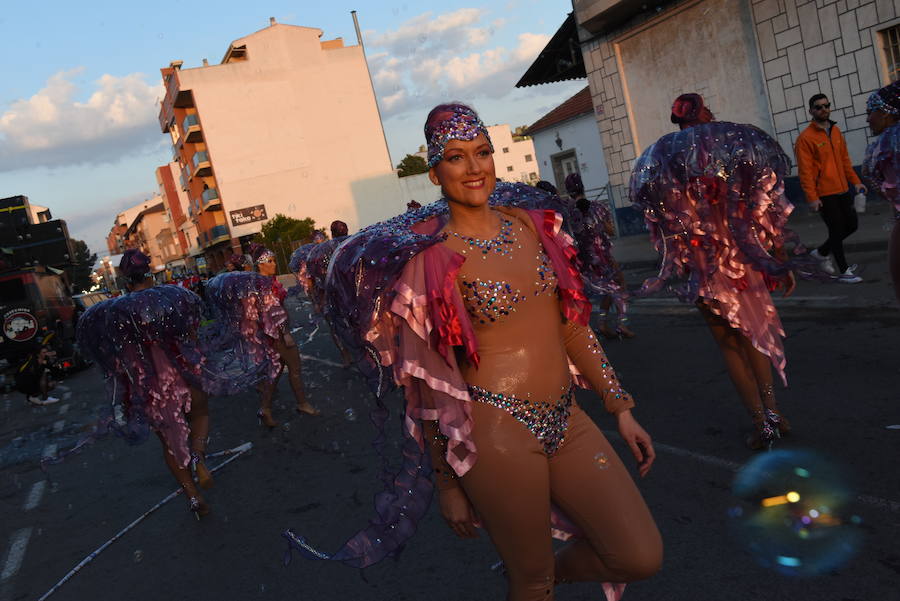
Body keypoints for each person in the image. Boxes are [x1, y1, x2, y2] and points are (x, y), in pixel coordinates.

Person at [287, 103, 661, 601]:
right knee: (531, 582)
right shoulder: (427, 258)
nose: (474, 167)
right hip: (494, 431)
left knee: (638, 554)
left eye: (482, 152)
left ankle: (541, 571)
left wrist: (622, 406)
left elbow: (570, 327)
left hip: (566, 418)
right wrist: (446, 484)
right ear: (435, 171)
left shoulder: (534, 227)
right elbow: (426, 383)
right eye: (457, 157)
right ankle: (534, 575)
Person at [630, 93, 804, 450]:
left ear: (677, 122)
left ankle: (761, 423)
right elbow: (760, 210)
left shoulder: (667, 161)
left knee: (729, 345)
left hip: (702, 266)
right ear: (706, 114)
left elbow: (668, 221)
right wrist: (777, 256)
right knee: (753, 339)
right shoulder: (732, 151)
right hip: (741, 260)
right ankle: (773, 415)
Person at [77, 250, 213, 516]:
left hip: (146, 386)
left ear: (125, 281)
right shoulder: (170, 299)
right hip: (178, 373)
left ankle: (192, 496)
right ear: (150, 275)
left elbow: (109, 353)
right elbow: (191, 332)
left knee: (168, 442)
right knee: (200, 413)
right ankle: (198, 457)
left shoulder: (114, 313)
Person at [206, 244, 320, 428]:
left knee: (274, 372)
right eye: (270, 261)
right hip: (277, 334)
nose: (274, 264)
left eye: (274, 260)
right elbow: (274, 311)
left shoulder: (256, 283)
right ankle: (302, 404)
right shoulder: (265, 285)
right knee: (295, 368)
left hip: (268, 335)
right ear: (260, 264)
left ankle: (265, 409)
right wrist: (286, 333)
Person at [795, 93, 867, 283]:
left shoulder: (835, 131)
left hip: (842, 189)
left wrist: (856, 181)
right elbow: (805, 172)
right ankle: (844, 271)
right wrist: (812, 197)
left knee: (852, 225)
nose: (824, 109)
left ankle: (820, 253)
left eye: (826, 105)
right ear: (811, 111)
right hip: (824, 194)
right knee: (836, 229)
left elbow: (845, 161)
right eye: (818, 107)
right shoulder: (805, 138)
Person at [564, 173, 634, 339]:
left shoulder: (568, 213)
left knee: (608, 291)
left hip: (586, 261)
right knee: (620, 286)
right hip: (604, 257)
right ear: (583, 187)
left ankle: (602, 323)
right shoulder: (597, 208)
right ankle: (622, 324)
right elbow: (610, 230)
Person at [863, 79, 900, 304]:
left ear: (886, 113)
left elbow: (881, 185)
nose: (868, 119)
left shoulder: (888, 142)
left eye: (871, 112)